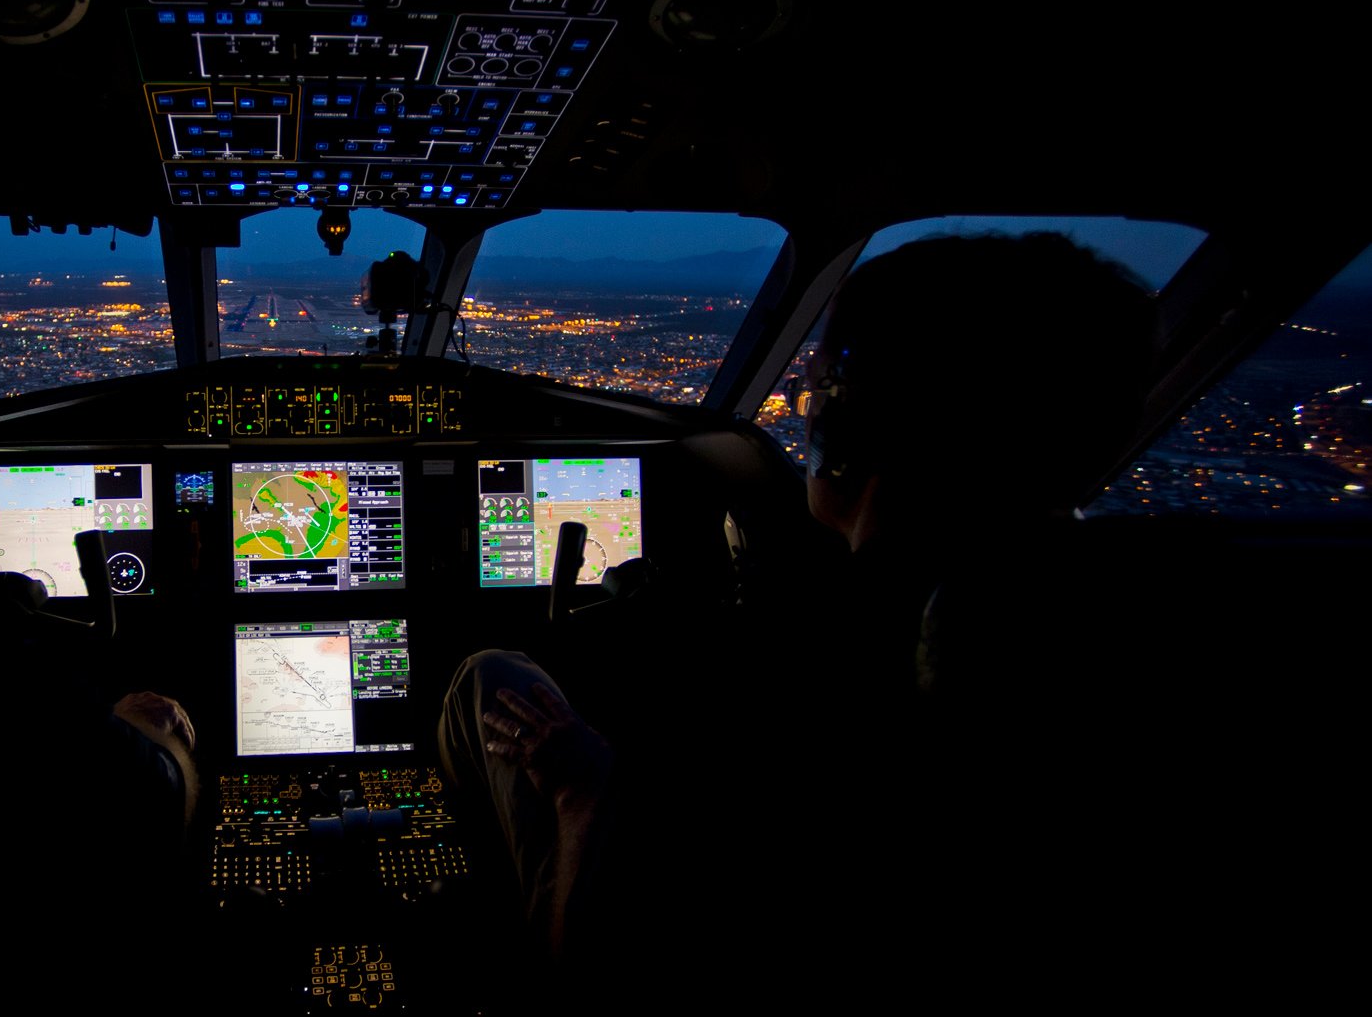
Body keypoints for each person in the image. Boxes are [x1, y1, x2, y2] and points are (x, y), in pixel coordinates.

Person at [438, 232, 1161, 993]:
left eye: (816, 398)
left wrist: (585, 790)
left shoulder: (847, 677)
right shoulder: (1114, 605)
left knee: (490, 674)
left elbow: (607, 965)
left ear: (845, 432)